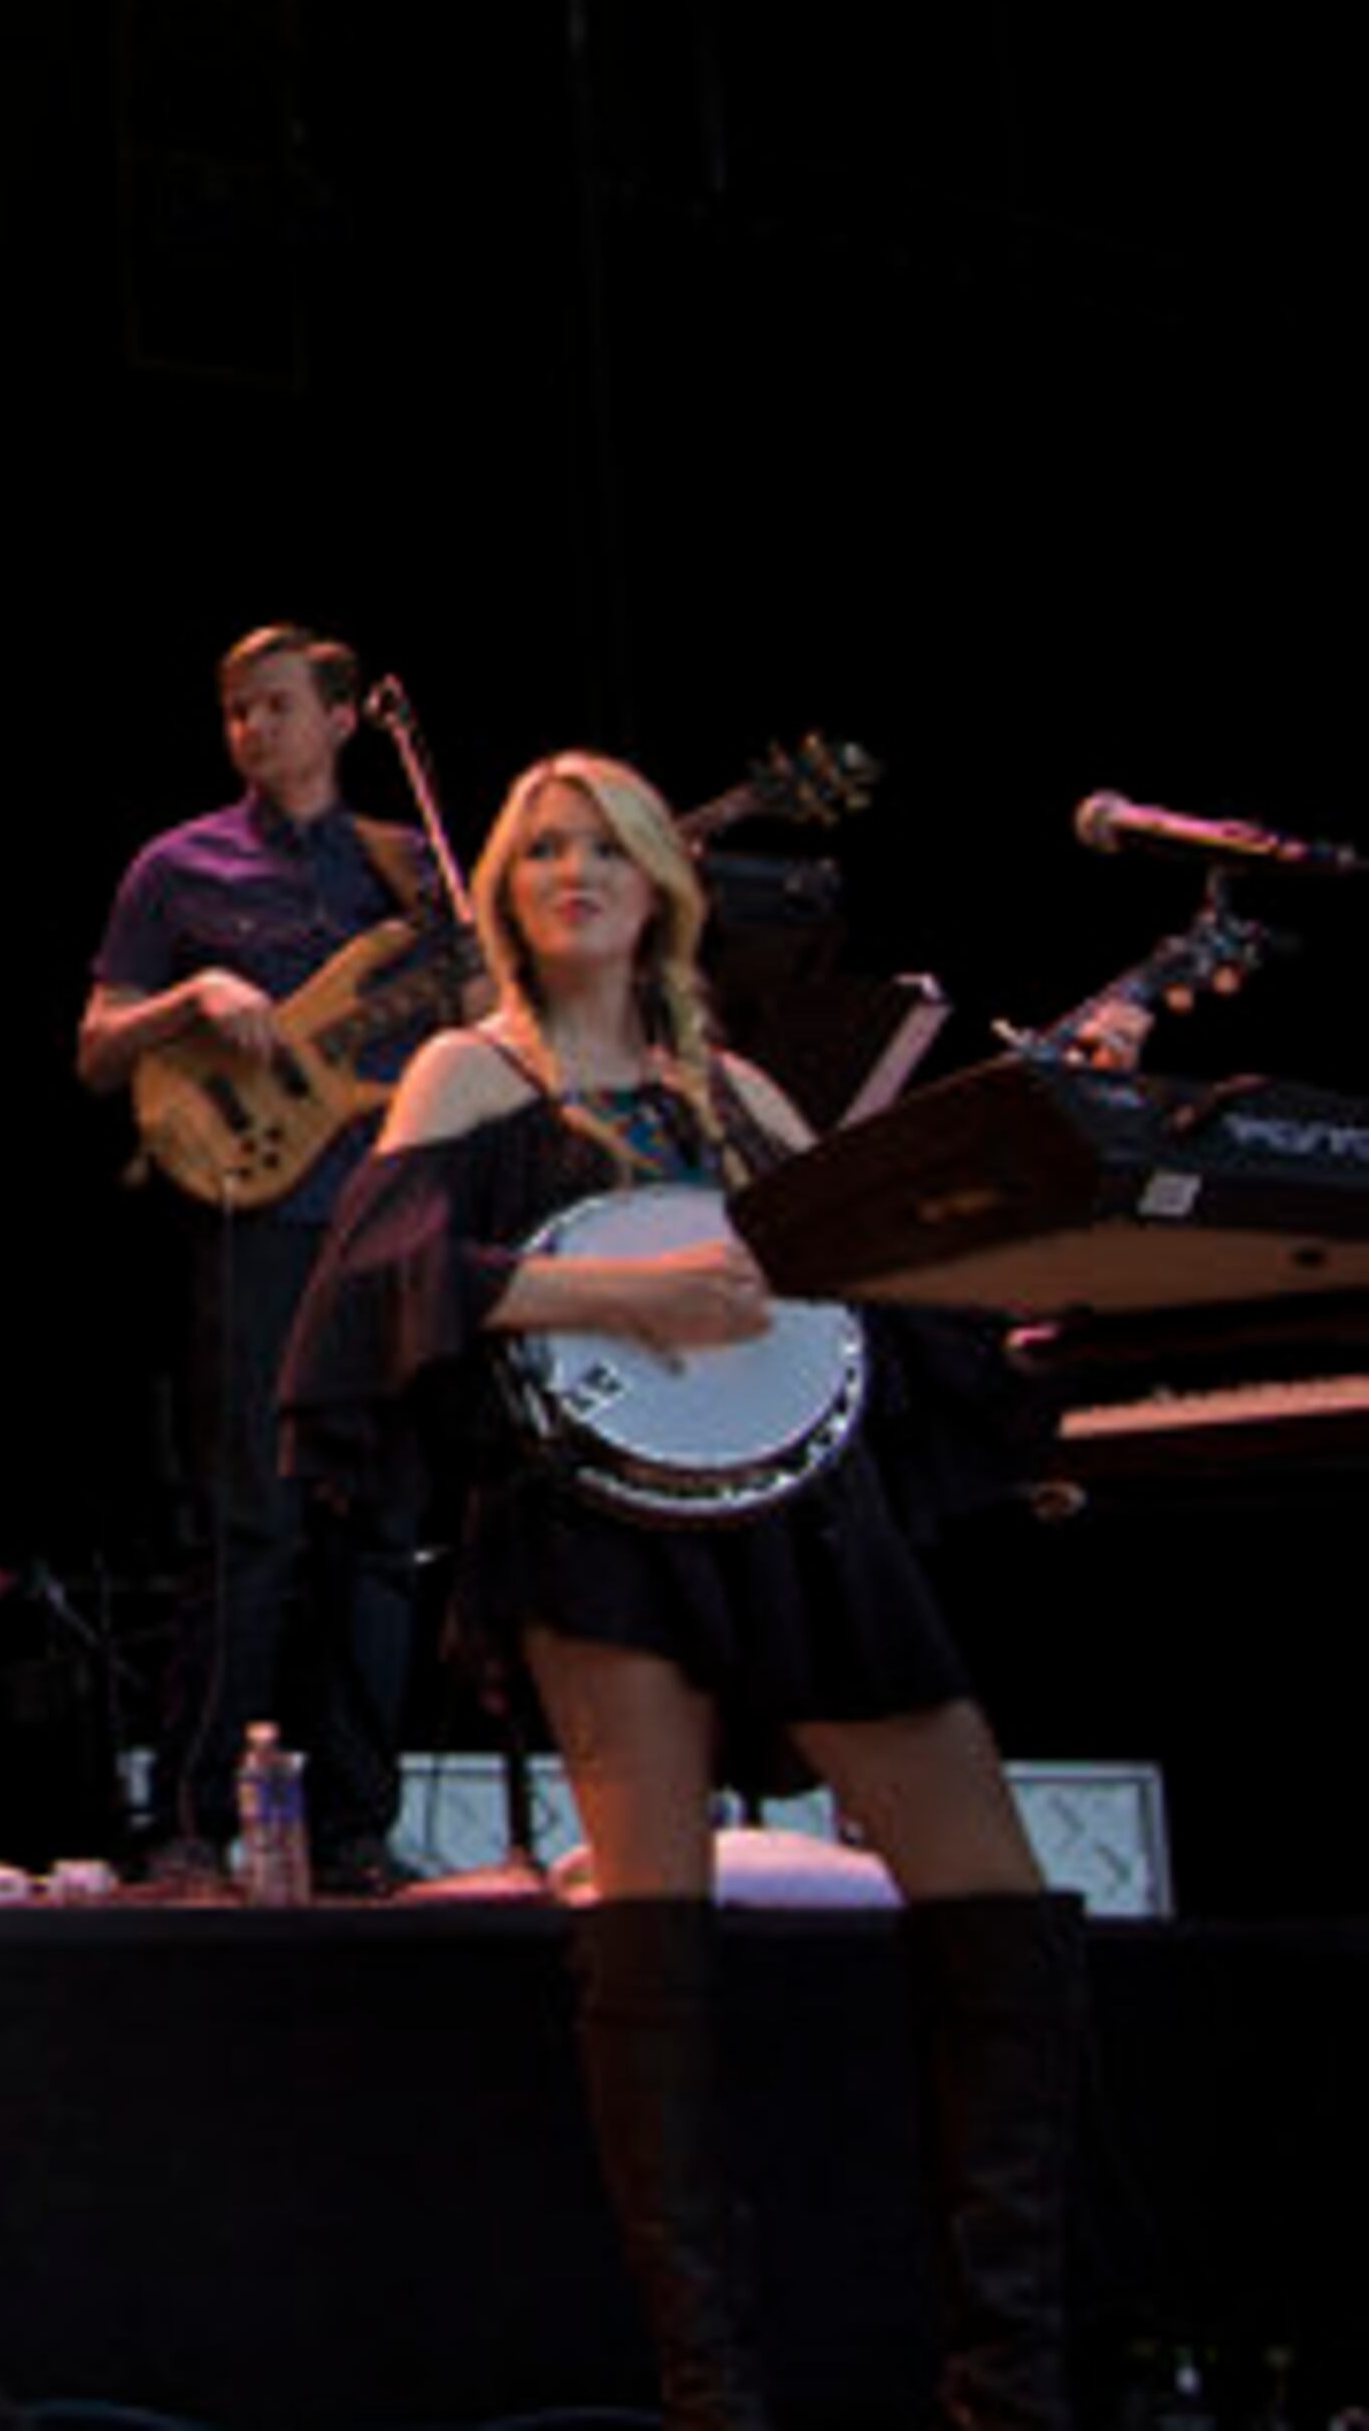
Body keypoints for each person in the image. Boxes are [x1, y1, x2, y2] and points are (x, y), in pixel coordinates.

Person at [283, 751, 1083, 2430]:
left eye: (605, 847)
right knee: (656, 1923)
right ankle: (711, 2392)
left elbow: (864, 1268)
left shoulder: (728, 1087)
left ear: (661, 884)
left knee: (998, 1904)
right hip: (592, 1521)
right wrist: (628, 1289)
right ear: (505, 892)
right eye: (542, 848)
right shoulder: (465, 1070)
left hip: (809, 1518)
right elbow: (378, 1289)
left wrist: (1012, 1312)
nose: (572, 869)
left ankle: (1010, 2383)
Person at [74, 622, 441, 1892]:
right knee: (252, 1520)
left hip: (397, 1215)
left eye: (277, 706)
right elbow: (98, 1046)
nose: (253, 730)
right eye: (237, 711)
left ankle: (355, 1828)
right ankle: (191, 1817)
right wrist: (191, 1000)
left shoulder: (416, 870)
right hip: (257, 1215)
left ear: (343, 718)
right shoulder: (178, 866)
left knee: (383, 1530)